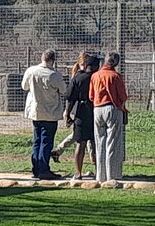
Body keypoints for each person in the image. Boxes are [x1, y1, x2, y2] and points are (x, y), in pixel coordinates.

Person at [22, 49, 66, 180]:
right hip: (50, 112)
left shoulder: (31, 71)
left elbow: (24, 86)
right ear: (53, 60)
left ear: (42, 58)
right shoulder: (55, 75)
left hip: (35, 111)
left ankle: (36, 169)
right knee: (46, 141)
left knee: (37, 140)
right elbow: (64, 90)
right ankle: (43, 169)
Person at [51, 52, 97, 170]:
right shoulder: (79, 75)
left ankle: (59, 150)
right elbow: (71, 94)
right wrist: (67, 112)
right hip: (80, 107)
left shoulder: (79, 75)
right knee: (81, 137)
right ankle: (93, 160)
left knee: (80, 136)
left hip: (78, 108)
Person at [89, 52, 128, 183]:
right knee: (113, 142)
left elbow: (91, 96)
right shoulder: (116, 76)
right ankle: (112, 175)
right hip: (112, 108)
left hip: (97, 109)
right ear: (115, 62)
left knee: (99, 141)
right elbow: (123, 96)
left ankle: (100, 175)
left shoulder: (95, 76)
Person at [63, 54, 100, 180]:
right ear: (95, 66)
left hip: (82, 112)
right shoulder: (98, 77)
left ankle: (78, 172)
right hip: (96, 111)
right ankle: (100, 171)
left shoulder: (79, 78)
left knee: (80, 143)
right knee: (97, 144)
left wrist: (67, 114)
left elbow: (71, 98)